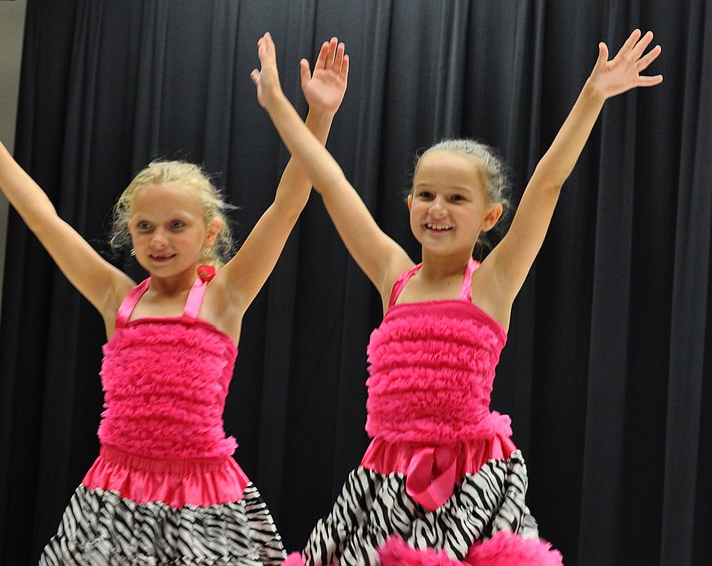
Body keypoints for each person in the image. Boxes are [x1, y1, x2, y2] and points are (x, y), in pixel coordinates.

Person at [251, 29, 662, 565]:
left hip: (470, 479)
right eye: (425, 195)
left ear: (489, 216)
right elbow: (330, 183)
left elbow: (548, 183)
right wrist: (292, 110)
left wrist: (592, 97)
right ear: (409, 204)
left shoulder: (492, 282)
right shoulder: (393, 275)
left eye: (456, 198)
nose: (436, 209)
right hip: (387, 477)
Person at [0, 35, 349, 565]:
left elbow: (289, 202)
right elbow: (43, 218)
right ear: (129, 234)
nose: (158, 240)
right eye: (145, 227)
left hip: (202, 496)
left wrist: (319, 117)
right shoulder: (118, 298)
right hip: (115, 494)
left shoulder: (224, 296)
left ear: (209, 233)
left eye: (176, 226)